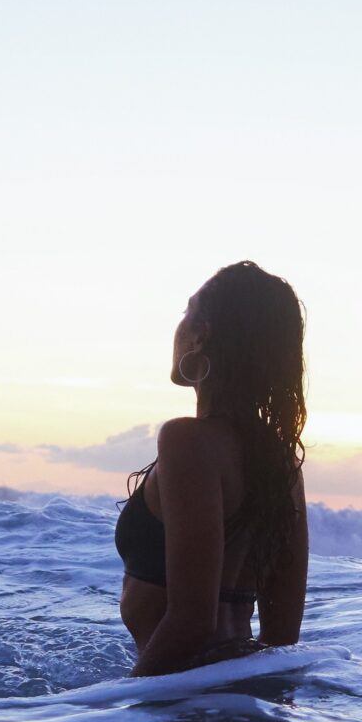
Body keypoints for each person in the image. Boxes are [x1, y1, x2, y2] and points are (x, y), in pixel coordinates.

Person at [116, 261, 309, 676]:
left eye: (186, 313)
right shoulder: (281, 462)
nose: (179, 326)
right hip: (235, 699)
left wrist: (122, 702)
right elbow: (283, 636)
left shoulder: (187, 441)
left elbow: (192, 622)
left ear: (202, 334)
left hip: (178, 699)